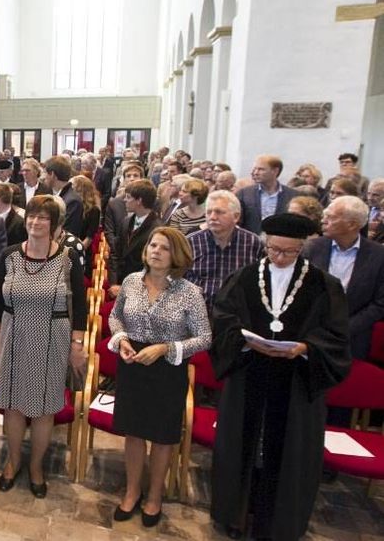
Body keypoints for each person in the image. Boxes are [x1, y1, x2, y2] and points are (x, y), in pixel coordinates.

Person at [210, 213, 350, 541]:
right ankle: (235, 514)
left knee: (287, 452)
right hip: (249, 375)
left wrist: (304, 347)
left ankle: (277, 525)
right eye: (273, 249)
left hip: (296, 382)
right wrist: (243, 340)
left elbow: (336, 335)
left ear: (301, 248)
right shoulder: (244, 277)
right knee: (242, 446)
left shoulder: (323, 285)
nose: (279, 257)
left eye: (287, 252)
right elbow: (223, 318)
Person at [108, 228, 211, 527]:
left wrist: (166, 348)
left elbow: (204, 337)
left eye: (164, 248)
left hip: (167, 367)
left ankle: (154, 496)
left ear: (176, 255)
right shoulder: (130, 282)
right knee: (134, 432)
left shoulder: (189, 292)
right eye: (153, 245)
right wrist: (122, 338)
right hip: (133, 363)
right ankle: (132, 491)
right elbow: (116, 316)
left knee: (162, 436)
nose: (155, 251)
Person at [0, 195, 87, 498]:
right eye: (32, 216)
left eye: (43, 217)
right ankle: (14, 461)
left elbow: (80, 307)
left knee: (44, 409)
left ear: (54, 223)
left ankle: (36, 467)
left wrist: (77, 344)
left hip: (51, 338)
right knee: (15, 406)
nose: (35, 222)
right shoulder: (9, 255)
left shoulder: (68, 259)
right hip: (13, 334)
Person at [305, 196, 384, 361]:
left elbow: (379, 303)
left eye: (331, 217)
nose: (324, 220)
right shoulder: (312, 248)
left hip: (353, 339)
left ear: (352, 224)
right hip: (310, 334)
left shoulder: (378, 256)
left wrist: (346, 328)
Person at [184, 190, 264, 313]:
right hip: (195, 314)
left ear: (236, 216)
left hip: (235, 316)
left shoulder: (253, 243)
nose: (213, 217)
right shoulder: (191, 242)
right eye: (209, 212)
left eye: (219, 212)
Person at [108, 179, 162, 299]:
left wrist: (127, 288)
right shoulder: (126, 221)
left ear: (139, 201)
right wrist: (114, 282)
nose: (125, 200)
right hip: (120, 283)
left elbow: (152, 267)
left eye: (128, 197)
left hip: (141, 291)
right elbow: (115, 253)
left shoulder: (157, 229)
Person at [237, 155, 297, 234]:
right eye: (255, 169)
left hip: (280, 242)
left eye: (261, 169)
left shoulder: (293, 195)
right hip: (251, 241)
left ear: (275, 171)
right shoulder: (244, 193)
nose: (255, 173)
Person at [43, 156, 84, 239]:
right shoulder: (56, 195)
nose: (44, 177)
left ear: (53, 175)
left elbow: (66, 233)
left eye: (46, 173)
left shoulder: (72, 201)